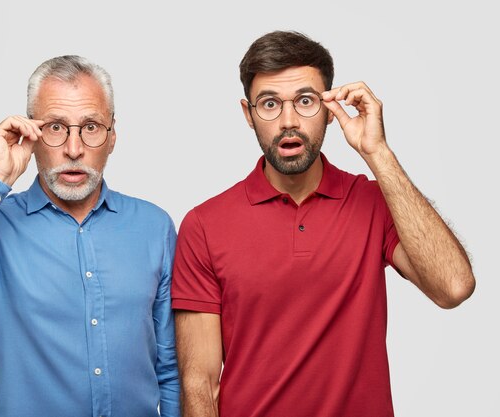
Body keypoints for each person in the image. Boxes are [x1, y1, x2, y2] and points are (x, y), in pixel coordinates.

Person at [171, 30, 475, 417]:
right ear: (248, 114)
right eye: (269, 104)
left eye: (305, 101)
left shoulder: (374, 203)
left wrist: (377, 153)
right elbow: (199, 382)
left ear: (331, 109)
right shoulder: (204, 224)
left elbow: (453, 287)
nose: (288, 121)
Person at [0, 55, 179, 417]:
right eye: (56, 127)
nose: (73, 150)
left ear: (112, 136)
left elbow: (171, 367)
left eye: (90, 127)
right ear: (31, 132)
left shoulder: (154, 227)